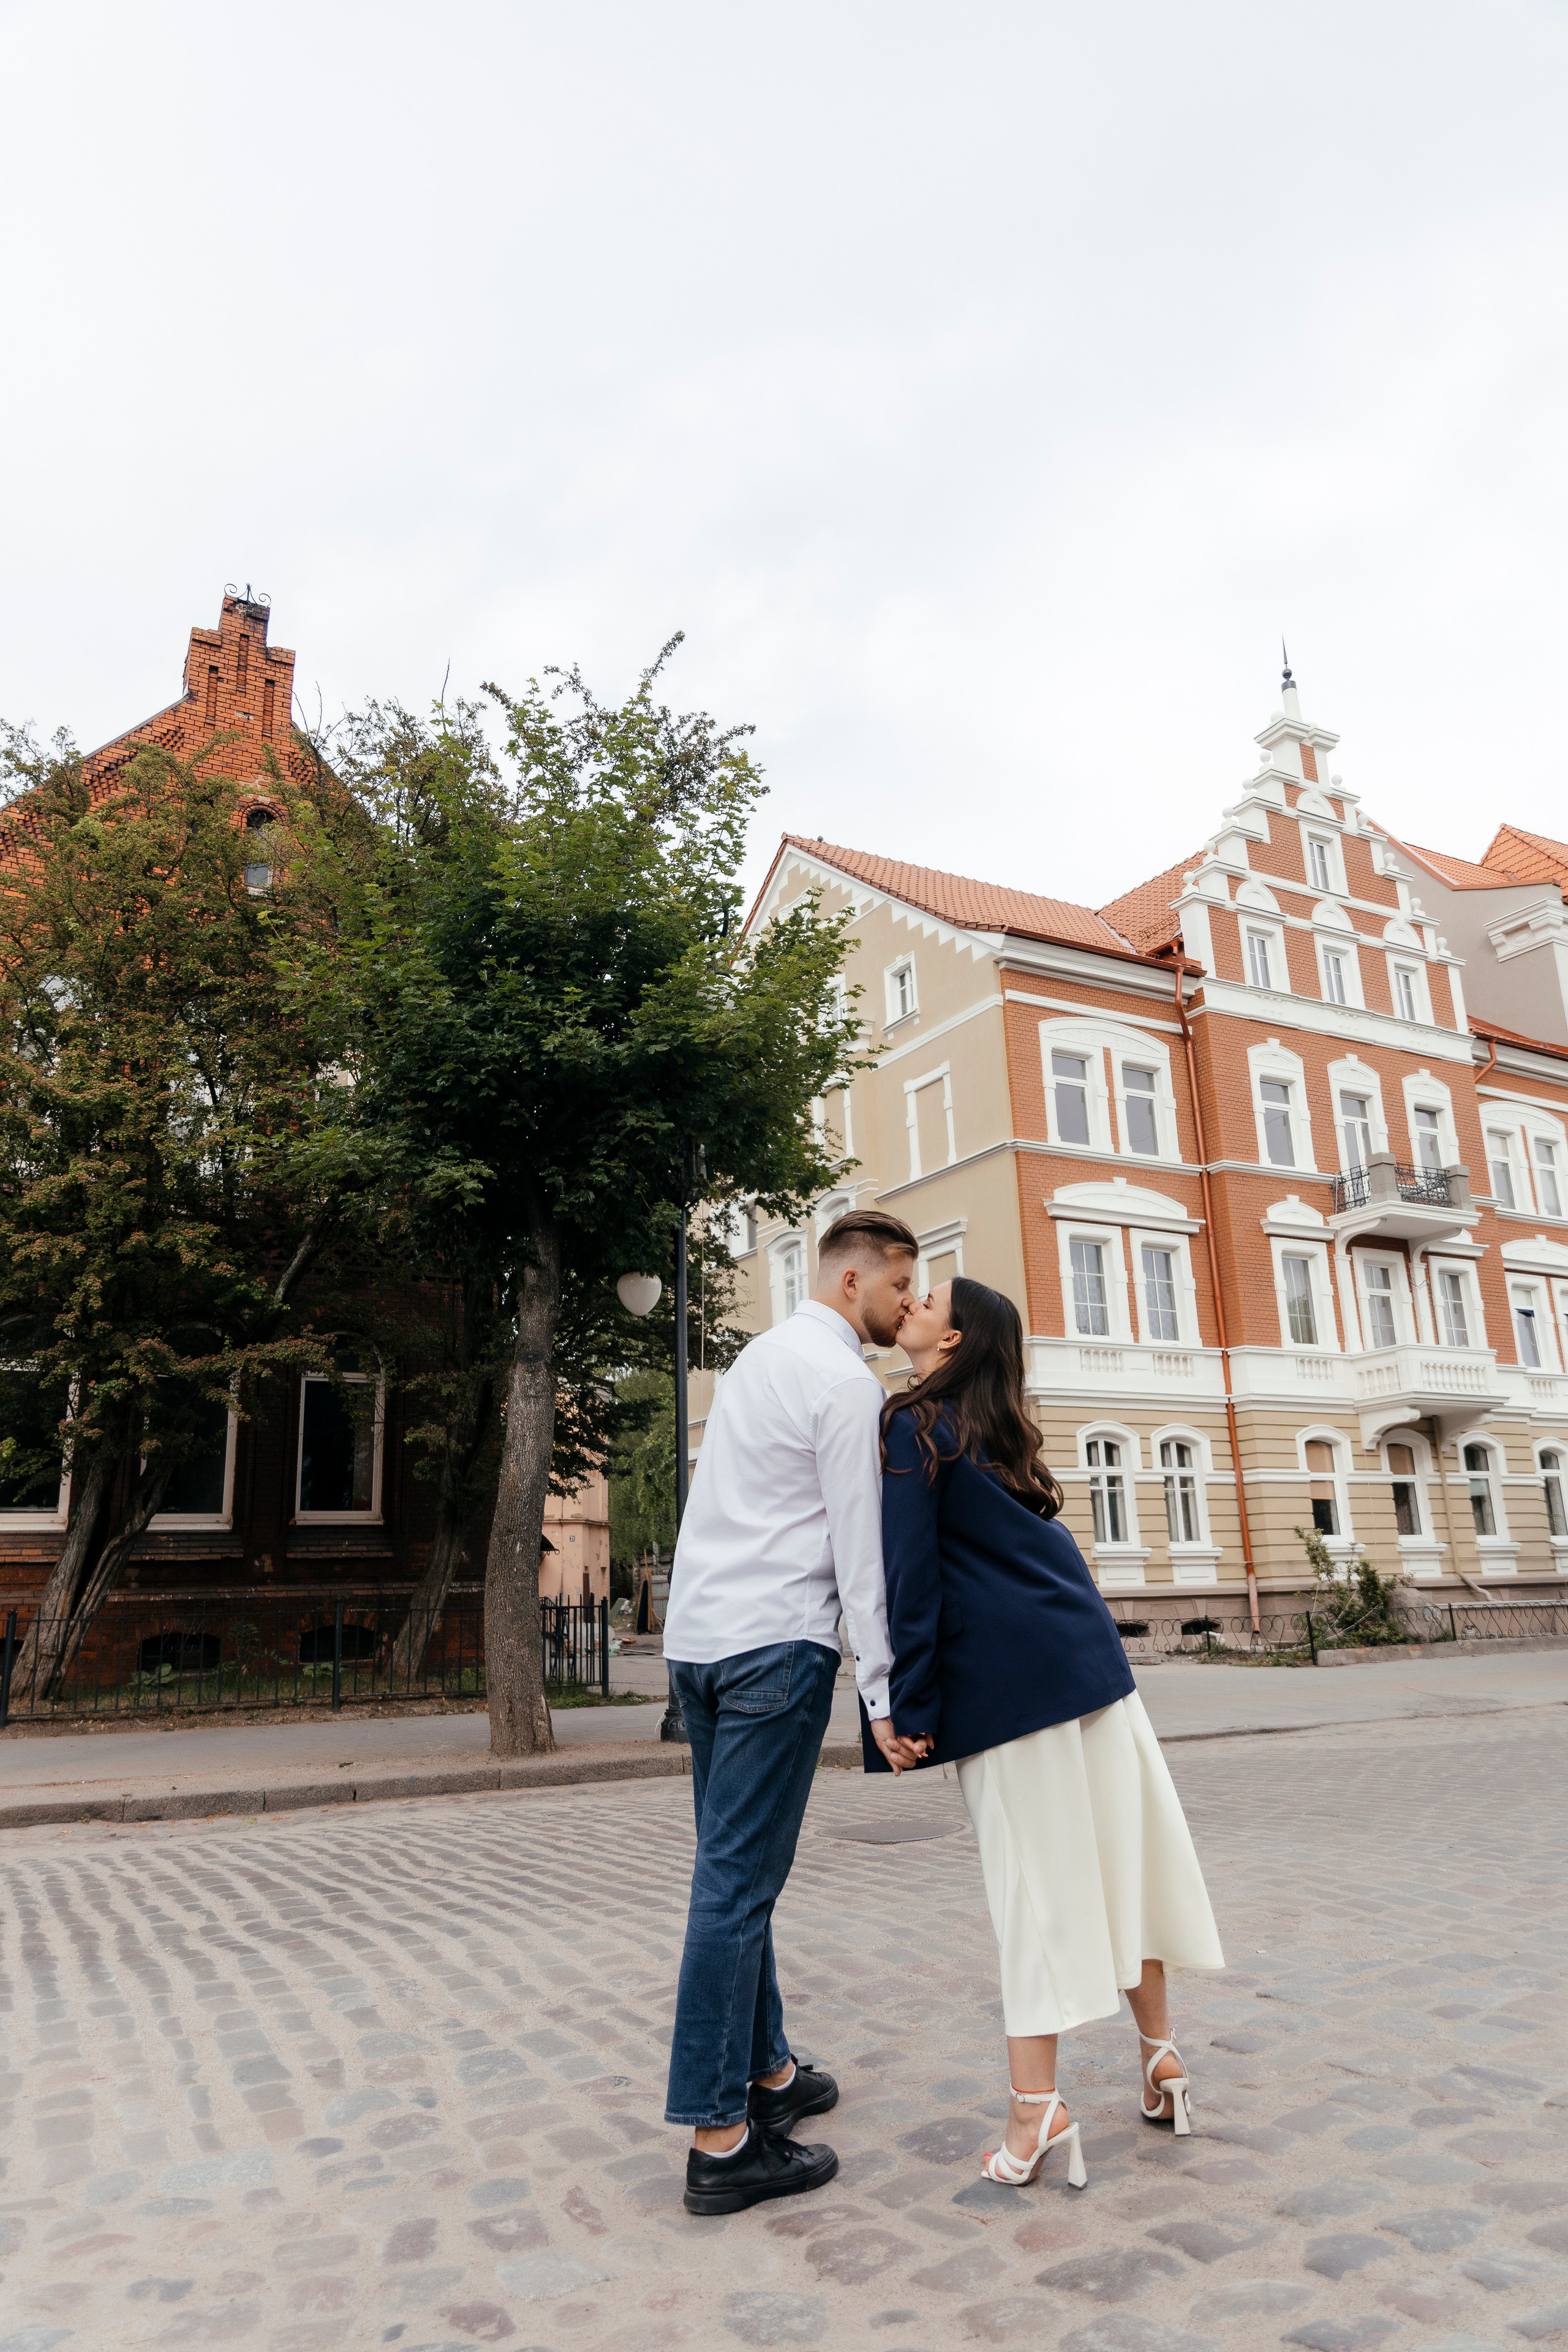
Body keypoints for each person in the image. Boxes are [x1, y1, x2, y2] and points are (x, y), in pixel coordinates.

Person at [864, 1275, 1225, 2189]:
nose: (911, 1301)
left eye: (930, 1297)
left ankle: (1037, 2112)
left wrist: (906, 1715)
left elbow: (913, 1584)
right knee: (1127, 1864)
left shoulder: (912, 1427)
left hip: (1011, 1691)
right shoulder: (996, 1432)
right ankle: (1162, 2059)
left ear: (954, 1342)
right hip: (1094, 1668)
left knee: (1035, 1889)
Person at [663, 1206, 927, 2215]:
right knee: (733, 1891)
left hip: (700, 1646)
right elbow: (860, 1551)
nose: (908, 1304)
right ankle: (720, 2142)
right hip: (776, 1645)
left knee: (735, 1879)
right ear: (855, 1281)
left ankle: (769, 2074)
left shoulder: (758, 1359)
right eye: (902, 1286)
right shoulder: (845, 1384)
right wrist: (884, 1693)